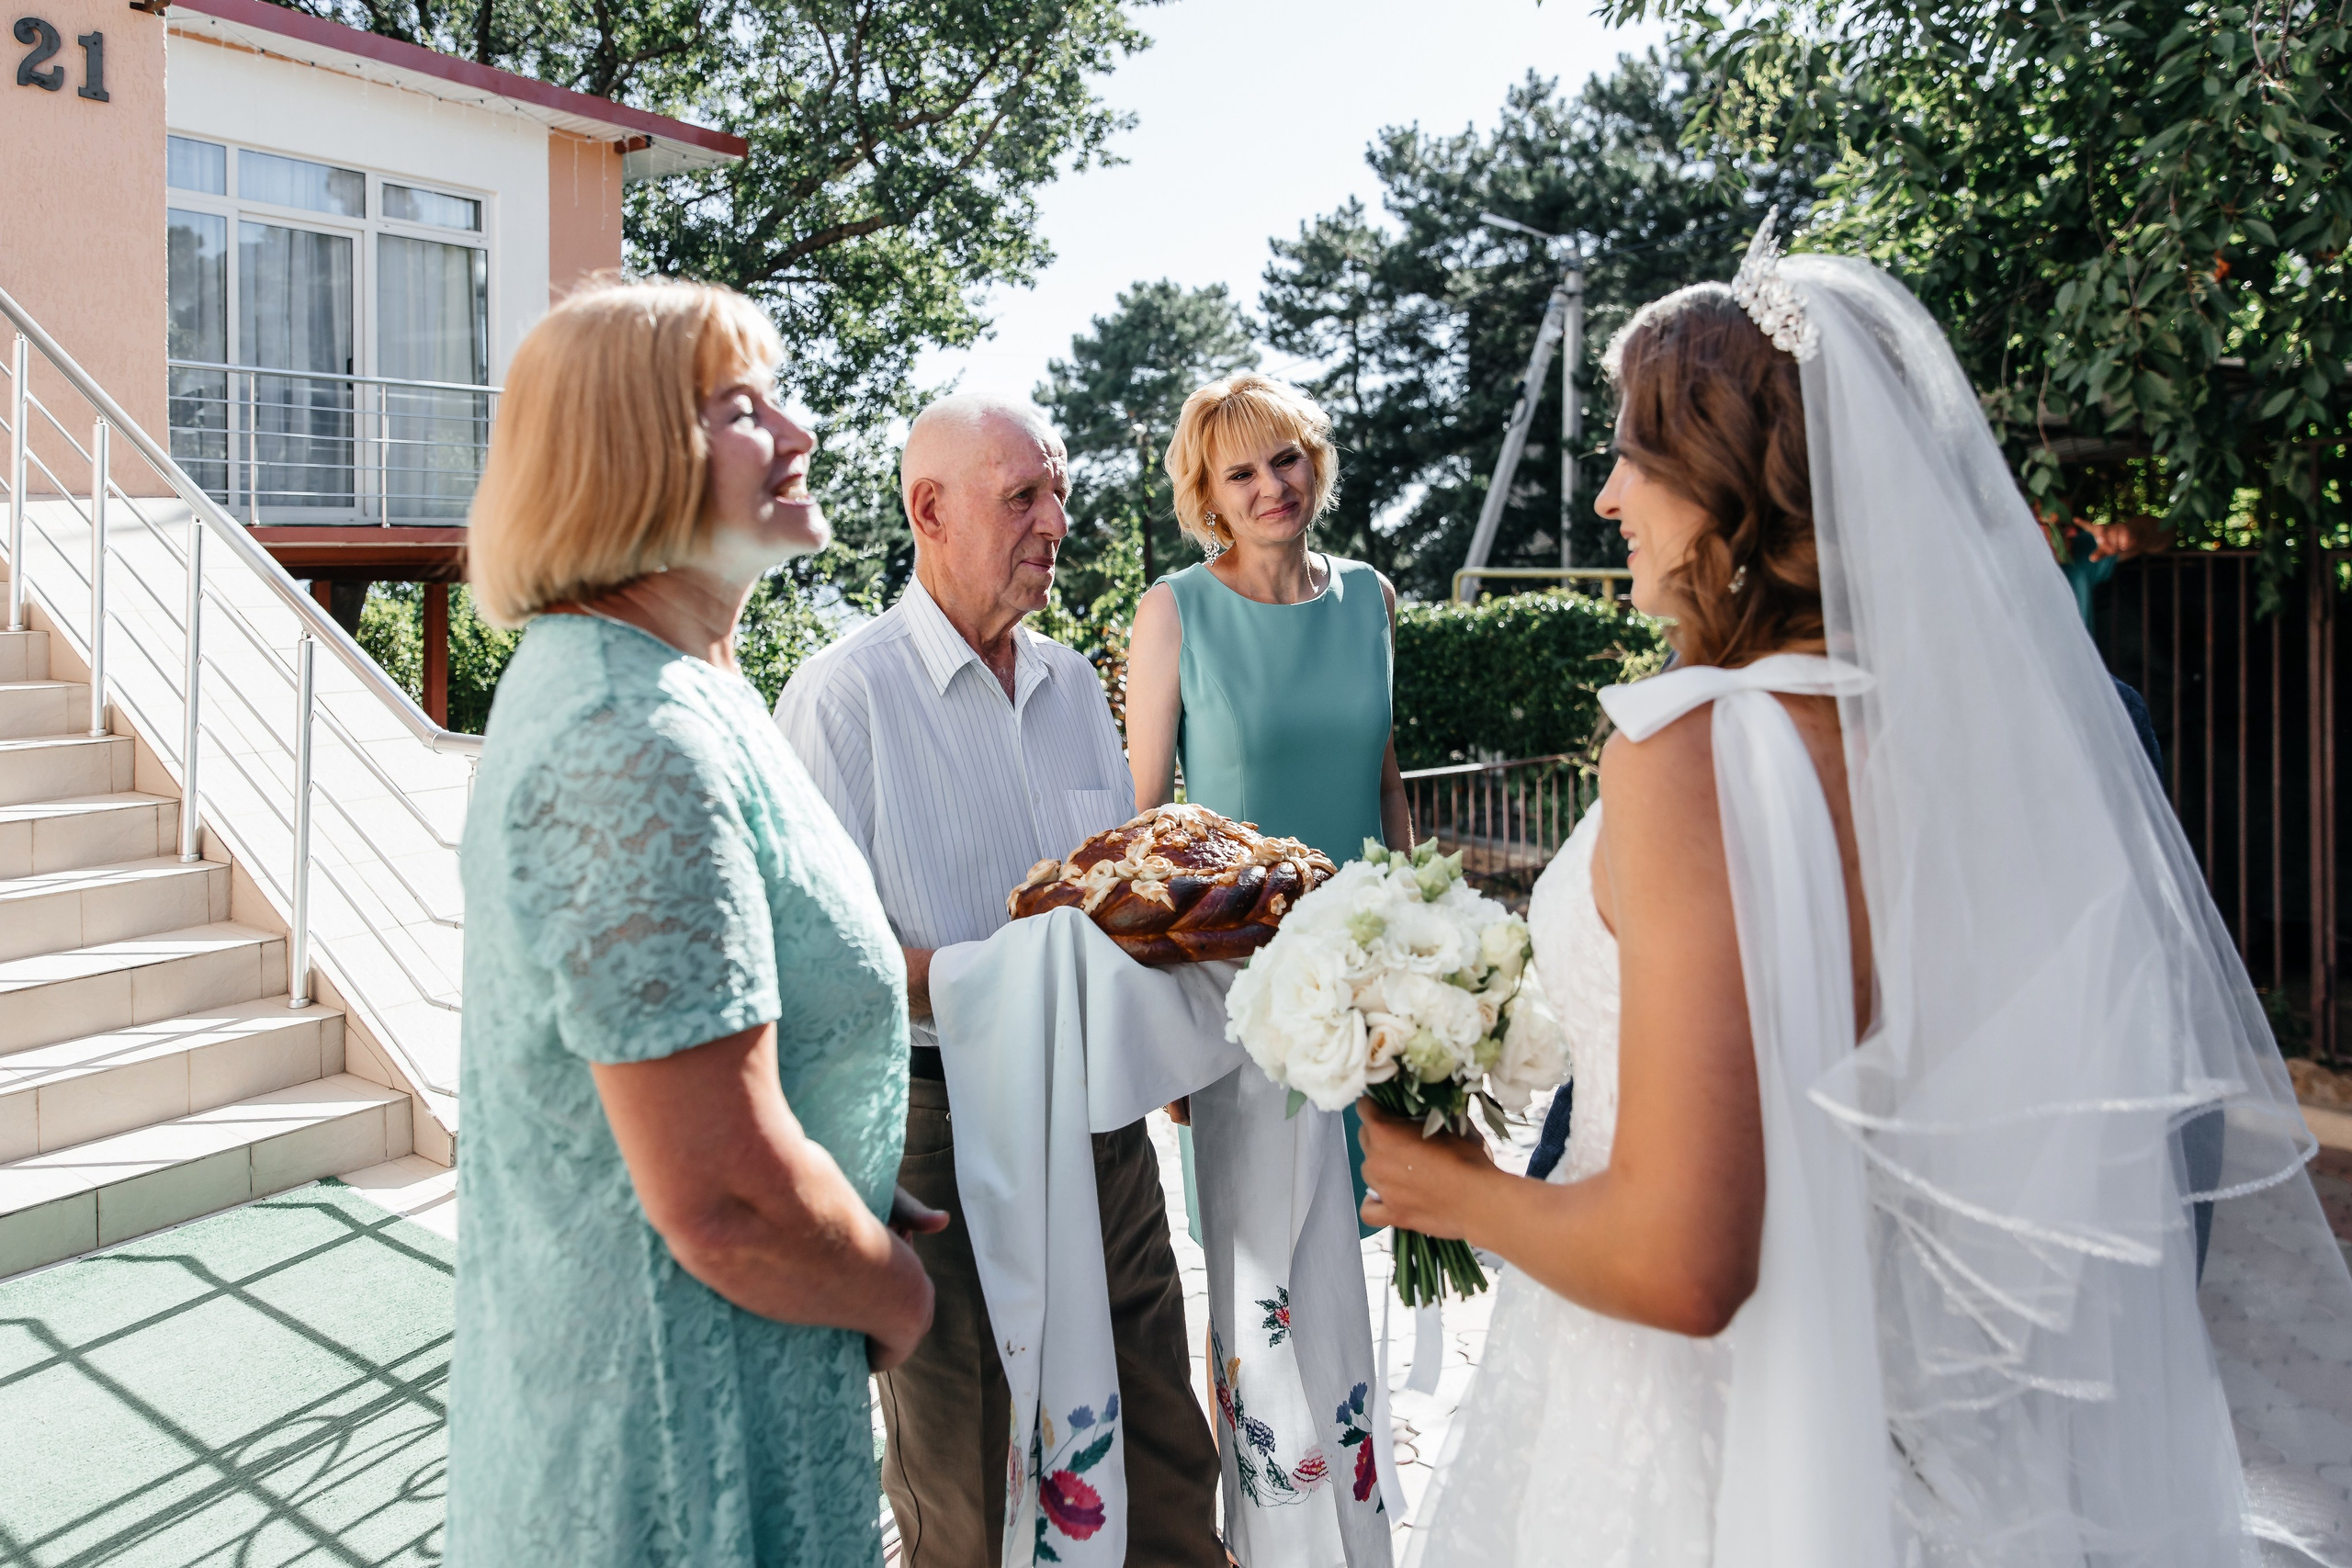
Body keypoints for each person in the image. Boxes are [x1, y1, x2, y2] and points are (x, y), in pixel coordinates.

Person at [1364, 231, 2352, 1566]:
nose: (1607, 498)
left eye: (1636, 458)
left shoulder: (1688, 753)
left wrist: (1452, 1189)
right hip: (1927, 1421)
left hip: (1697, 1433)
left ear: (1729, 488)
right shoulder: (1982, 743)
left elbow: (1684, 1264)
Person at [445, 278, 939, 1567]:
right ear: (628, 455)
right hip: (672, 1450)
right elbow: (723, 1200)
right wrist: (896, 1292)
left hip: (735, 1381)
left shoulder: (690, 689)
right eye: (743, 408)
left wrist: (844, 1152)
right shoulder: (628, 734)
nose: (802, 432)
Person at [775, 393, 1222, 1568]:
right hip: (936, 1132)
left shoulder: (1073, 685)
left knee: (1164, 1455)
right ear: (929, 511)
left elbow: (1111, 901)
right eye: (1023, 496)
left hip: (1102, 1115)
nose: (1056, 522)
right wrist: (1013, 975)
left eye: (1058, 493)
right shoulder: (842, 698)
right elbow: (818, 972)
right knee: (972, 1485)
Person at [1124, 373, 1404, 1568]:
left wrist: (1420, 957)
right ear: (1208, 495)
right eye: (1240, 472)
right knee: (1255, 1279)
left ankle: (1356, 1511)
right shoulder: (1174, 612)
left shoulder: (1370, 596)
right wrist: (1162, 1034)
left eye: (1284, 458)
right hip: (1240, 1002)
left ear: (1313, 461)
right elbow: (1146, 830)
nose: (1270, 487)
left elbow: (1385, 783)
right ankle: (1259, 1536)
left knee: (1349, 1257)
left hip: (1373, 990)